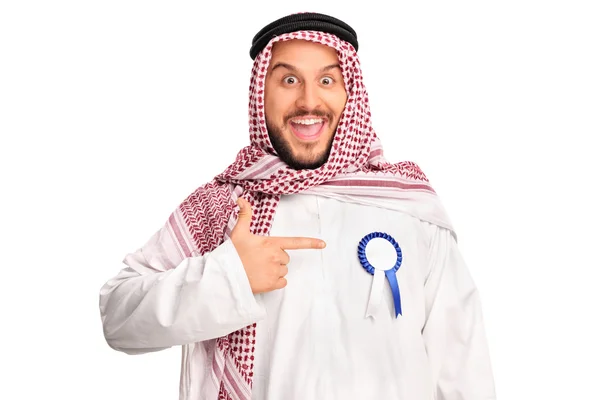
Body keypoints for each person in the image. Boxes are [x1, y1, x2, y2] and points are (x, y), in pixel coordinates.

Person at [99, 12, 496, 400]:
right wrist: (230, 276)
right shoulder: (223, 205)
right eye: (289, 80)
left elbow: (462, 364)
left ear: (350, 92)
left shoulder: (410, 206)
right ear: (261, 94)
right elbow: (119, 317)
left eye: (327, 80)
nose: (309, 101)